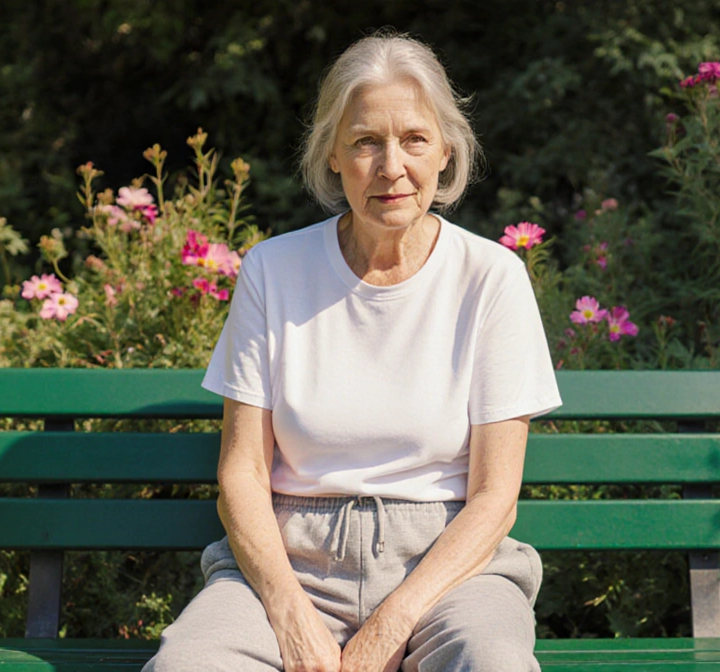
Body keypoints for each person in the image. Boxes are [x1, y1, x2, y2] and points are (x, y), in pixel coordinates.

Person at [143, 30, 561, 672]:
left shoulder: (491, 276)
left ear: (446, 150)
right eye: (366, 141)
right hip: (287, 565)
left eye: (414, 139)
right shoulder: (272, 271)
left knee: (493, 662)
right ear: (333, 155)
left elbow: (495, 497)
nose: (392, 166)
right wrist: (288, 611)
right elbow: (242, 476)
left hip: (448, 570)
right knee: (185, 666)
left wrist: (395, 619)